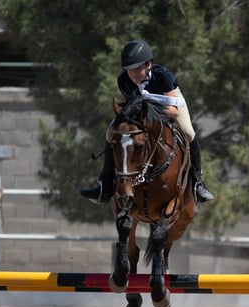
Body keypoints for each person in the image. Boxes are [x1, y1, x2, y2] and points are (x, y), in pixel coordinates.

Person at [79, 39, 214, 204]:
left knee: (188, 132)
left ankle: (198, 183)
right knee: (111, 132)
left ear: (149, 64)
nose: (133, 75)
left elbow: (172, 111)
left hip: (170, 105)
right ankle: (104, 182)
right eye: (129, 70)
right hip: (141, 110)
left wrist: (149, 108)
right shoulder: (124, 80)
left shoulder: (164, 76)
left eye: (137, 69)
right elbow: (130, 108)